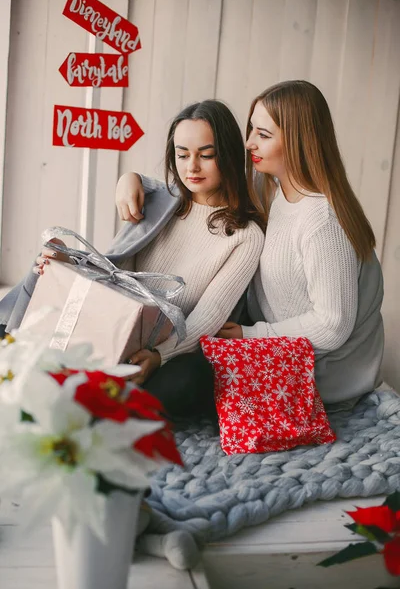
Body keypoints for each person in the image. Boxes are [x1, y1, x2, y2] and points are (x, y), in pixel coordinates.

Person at [115, 80, 384, 410]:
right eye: (251, 130)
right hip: (265, 346)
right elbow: (190, 185)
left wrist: (251, 335)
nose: (249, 143)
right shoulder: (269, 185)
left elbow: (331, 328)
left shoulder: (322, 222)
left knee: (191, 377)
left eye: (263, 135)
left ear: (299, 141)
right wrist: (132, 180)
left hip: (313, 373)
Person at [7, 100, 264, 420]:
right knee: (43, 269)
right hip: (112, 325)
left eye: (206, 155)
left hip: (160, 349)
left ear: (226, 154)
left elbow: (208, 317)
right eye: (182, 155)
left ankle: (86, 402)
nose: (192, 167)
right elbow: (116, 273)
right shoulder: (162, 201)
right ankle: (29, 372)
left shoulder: (245, 235)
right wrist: (67, 266)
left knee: (192, 378)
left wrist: (160, 355)